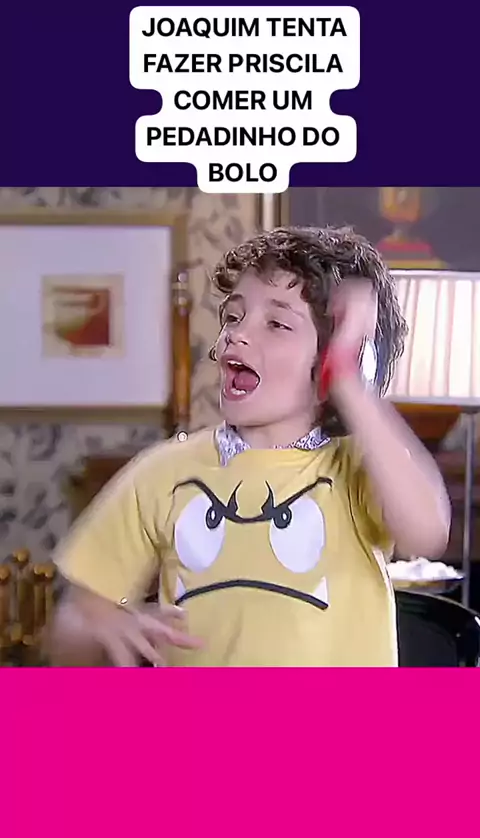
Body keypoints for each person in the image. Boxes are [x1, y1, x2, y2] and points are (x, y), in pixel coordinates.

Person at [45, 226, 451, 667]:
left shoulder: (356, 468)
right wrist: (99, 625)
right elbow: (67, 635)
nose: (235, 336)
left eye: (276, 324)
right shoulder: (162, 472)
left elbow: (427, 532)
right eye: (234, 317)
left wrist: (348, 380)